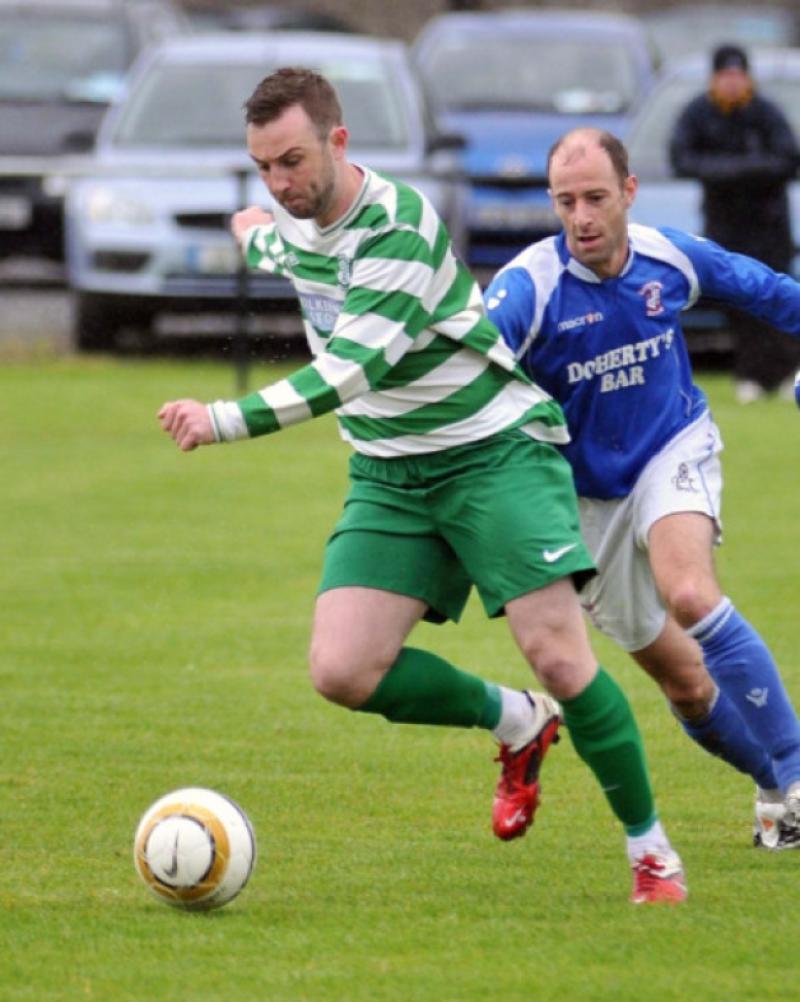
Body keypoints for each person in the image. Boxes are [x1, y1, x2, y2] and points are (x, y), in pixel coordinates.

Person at [158, 70, 686, 903]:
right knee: (341, 668)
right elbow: (278, 242)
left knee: (557, 653)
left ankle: (651, 852)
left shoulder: (397, 228)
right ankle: (516, 722)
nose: (280, 183)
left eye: (292, 161)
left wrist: (223, 417)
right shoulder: (293, 218)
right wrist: (252, 227)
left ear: (339, 140)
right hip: (391, 472)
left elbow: (351, 371)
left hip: (493, 454)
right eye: (263, 168)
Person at [484, 126, 800, 851]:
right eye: (565, 201)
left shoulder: (668, 257)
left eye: (596, 197)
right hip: (585, 504)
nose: (582, 217)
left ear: (629, 192)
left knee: (689, 591)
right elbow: (459, 374)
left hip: (671, 447)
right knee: (687, 686)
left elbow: (768, 290)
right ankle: (777, 793)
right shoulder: (528, 290)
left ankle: (797, 772)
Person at [669, 43, 800, 404]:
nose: (732, 83)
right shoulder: (698, 114)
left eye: (738, 75)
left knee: (775, 292)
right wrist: (741, 171)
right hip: (724, 227)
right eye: (725, 76)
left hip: (769, 227)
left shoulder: (766, 113)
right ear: (714, 79)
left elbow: (787, 159)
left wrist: (729, 171)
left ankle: (785, 371)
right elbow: (682, 158)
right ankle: (750, 374)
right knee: (738, 302)